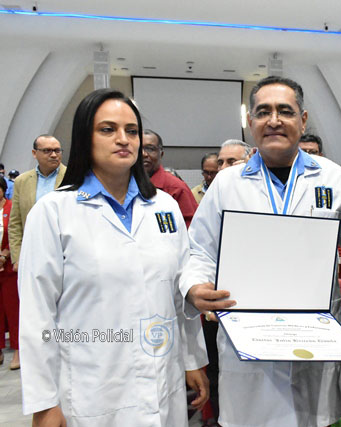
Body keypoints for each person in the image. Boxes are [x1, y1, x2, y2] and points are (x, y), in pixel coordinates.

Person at [19, 88, 209, 426]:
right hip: (93, 386)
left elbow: (180, 287)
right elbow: (37, 315)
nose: (124, 139)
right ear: (84, 138)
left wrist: (193, 359)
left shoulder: (164, 207)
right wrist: (44, 402)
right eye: (108, 129)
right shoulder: (53, 212)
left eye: (131, 131)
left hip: (162, 378)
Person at [181, 75, 341, 427]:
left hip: (314, 345)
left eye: (285, 111)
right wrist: (195, 287)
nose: (274, 120)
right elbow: (199, 251)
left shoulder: (333, 178)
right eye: (263, 112)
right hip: (248, 347)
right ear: (250, 122)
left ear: (303, 120)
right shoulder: (227, 183)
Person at [8, 135, 66, 269]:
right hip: (31, 253)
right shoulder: (22, 181)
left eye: (57, 150)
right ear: (35, 153)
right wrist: (17, 258)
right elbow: (15, 223)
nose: (54, 155)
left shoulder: (73, 177)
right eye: (47, 151)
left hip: (63, 253)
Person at [142, 129, 198, 227]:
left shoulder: (177, 188)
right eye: (138, 149)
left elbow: (192, 228)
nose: (144, 154)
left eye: (150, 149)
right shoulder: (123, 185)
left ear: (161, 154)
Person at [0, 177, 19, 370]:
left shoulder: (11, 207)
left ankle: (17, 349)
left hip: (8, 267)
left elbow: (15, 231)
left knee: (13, 310)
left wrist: (5, 254)